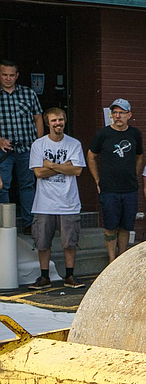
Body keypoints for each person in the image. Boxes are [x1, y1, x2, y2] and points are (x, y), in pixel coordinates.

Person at [28, 107, 85, 290]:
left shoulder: (74, 144)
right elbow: (38, 173)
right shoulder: (38, 145)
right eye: (53, 121)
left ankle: (69, 276)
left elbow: (77, 170)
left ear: (65, 121)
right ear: (47, 123)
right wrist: (64, 165)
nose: (57, 123)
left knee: (70, 242)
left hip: (69, 203)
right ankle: (44, 277)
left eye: (60, 120)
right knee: (43, 243)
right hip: (44, 204)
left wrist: (50, 165)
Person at [87, 98, 143, 263]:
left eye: (121, 113)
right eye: (115, 113)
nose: (118, 116)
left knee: (126, 226)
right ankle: (112, 260)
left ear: (129, 115)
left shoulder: (135, 133)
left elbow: (139, 156)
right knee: (111, 227)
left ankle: (121, 259)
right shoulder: (103, 134)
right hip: (109, 189)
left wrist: (134, 173)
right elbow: (91, 156)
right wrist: (97, 180)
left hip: (130, 188)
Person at [0, 59, 44, 229]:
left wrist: (39, 143)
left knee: (28, 185)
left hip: (27, 148)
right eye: (4, 75)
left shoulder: (28, 93)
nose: (8, 78)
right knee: (3, 186)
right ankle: (5, 225)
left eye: (11, 75)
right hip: (4, 151)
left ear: (17, 76)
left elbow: (38, 118)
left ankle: (29, 224)